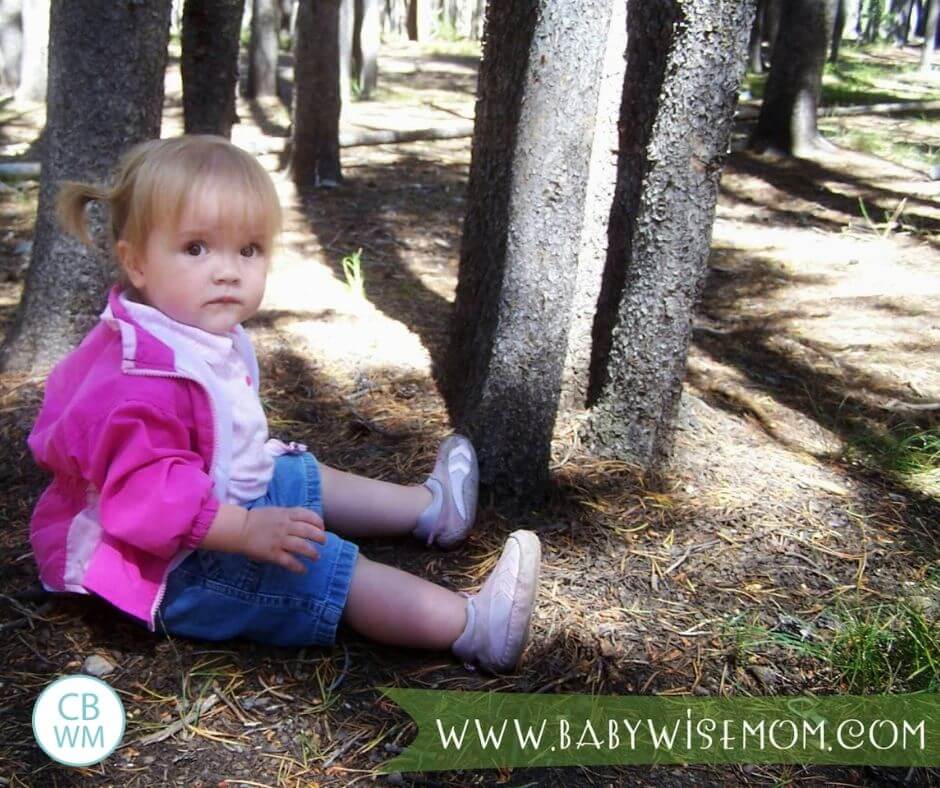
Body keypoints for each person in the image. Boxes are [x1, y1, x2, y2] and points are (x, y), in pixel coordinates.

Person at [27, 135, 541, 674]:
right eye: (196, 248)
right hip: (166, 564)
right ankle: (471, 625)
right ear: (136, 263)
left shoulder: (184, 328)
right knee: (328, 569)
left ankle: (429, 509)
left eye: (248, 249)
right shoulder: (139, 385)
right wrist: (247, 532)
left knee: (297, 474)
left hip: (212, 503)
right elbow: (150, 500)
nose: (228, 270)